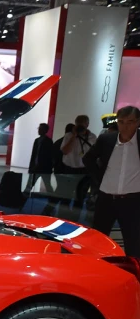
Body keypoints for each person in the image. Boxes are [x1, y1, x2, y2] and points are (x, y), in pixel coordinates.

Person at [84, 106, 140, 258]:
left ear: (138, 122)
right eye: (121, 122)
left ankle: (134, 277)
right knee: (98, 240)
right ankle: (96, 274)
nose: (125, 126)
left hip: (132, 201)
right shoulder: (106, 139)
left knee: (134, 243)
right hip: (106, 199)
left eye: (130, 122)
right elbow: (88, 159)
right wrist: (99, 179)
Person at [59, 114, 97, 222]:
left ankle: (75, 221)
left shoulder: (92, 137)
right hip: (69, 170)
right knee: (65, 197)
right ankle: (62, 220)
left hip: (84, 171)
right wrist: (73, 136)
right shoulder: (69, 135)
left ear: (87, 125)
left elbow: (95, 154)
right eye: (78, 125)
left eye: (83, 125)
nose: (80, 127)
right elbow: (65, 151)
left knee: (80, 198)